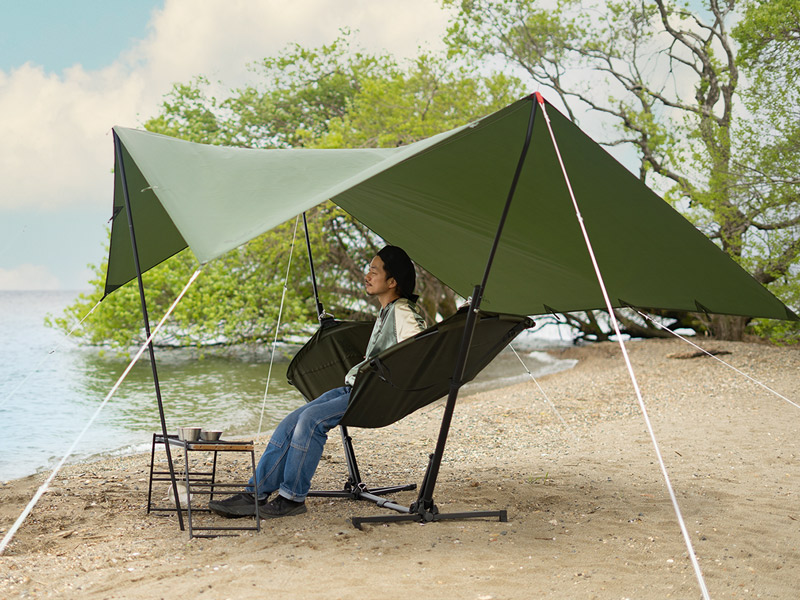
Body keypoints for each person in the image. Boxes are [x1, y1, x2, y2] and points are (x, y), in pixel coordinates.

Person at [209, 245, 427, 519]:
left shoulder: (403, 311)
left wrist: (383, 367)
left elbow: (420, 345)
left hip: (373, 393)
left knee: (311, 419)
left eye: (374, 271)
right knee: (292, 421)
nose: (366, 276)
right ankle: (255, 493)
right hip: (355, 386)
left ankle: (292, 499)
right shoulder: (388, 310)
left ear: (392, 281)